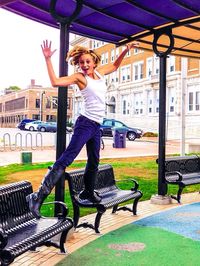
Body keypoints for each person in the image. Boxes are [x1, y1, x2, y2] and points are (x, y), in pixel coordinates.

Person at [26, 40, 139, 219]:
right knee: (66, 159)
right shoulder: (80, 77)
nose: (85, 65)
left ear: (94, 62)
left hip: (96, 126)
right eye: (81, 63)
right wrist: (48, 59)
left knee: (94, 160)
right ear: (78, 65)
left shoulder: (100, 74)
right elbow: (55, 82)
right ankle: (37, 196)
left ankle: (88, 191)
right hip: (85, 123)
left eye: (87, 62)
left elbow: (116, 66)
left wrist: (125, 50)